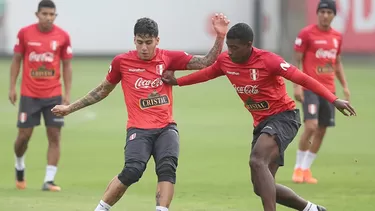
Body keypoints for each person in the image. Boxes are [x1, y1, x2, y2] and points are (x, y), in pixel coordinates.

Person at [161, 23, 356, 211]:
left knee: (257, 160)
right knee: (261, 187)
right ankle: (310, 208)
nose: (230, 51)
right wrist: (177, 82)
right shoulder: (225, 61)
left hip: (284, 118)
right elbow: (205, 74)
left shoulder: (269, 60)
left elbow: (302, 78)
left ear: (249, 45)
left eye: (235, 47)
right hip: (262, 124)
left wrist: (333, 99)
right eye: (229, 46)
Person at [51, 15, 229, 211]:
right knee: (132, 171)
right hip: (139, 129)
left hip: (166, 128)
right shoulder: (122, 62)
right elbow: (102, 90)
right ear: (134, 40)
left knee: (167, 169)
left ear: (157, 41)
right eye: (140, 42)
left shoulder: (168, 57)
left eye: (149, 43)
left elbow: (206, 62)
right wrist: (70, 108)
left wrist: (220, 37)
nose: (144, 48)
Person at [9, 0, 73, 192]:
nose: (47, 17)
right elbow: (17, 60)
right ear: (37, 15)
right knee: (23, 137)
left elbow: (67, 65)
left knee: (54, 135)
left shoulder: (63, 36)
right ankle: (19, 164)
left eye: (51, 14)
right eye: (44, 14)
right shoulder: (25, 33)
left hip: (53, 95)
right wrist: (12, 86)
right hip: (29, 94)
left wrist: (67, 94)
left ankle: (49, 180)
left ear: (55, 16)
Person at [291, 0, 350, 184]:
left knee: (322, 130)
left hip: (329, 91)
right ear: (317, 13)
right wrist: (296, 86)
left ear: (333, 15)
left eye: (328, 12)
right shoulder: (306, 34)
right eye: (322, 11)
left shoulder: (337, 37)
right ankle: (297, 168)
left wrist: (345, 86)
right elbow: (296, 61)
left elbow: (337, 62)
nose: (325, 15)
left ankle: (307, 169)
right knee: (311, 126)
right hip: (310, 88)